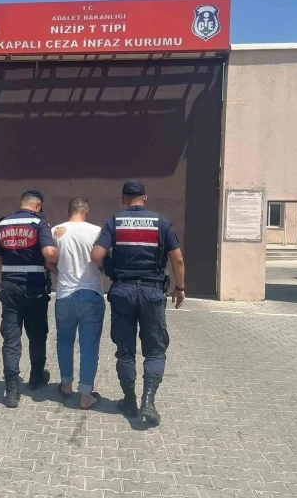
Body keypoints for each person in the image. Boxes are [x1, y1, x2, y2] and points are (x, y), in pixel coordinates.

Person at [91, 181, 186, 424]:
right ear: (145, 198)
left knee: (125, 350)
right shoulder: (161, 222)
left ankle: (129, 400)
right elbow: (177, 259)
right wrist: (179, 287)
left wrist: (110, 267)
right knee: (155, 350)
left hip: (122, 291)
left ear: (123, 199)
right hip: (152, 292)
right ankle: (149, 401)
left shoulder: (115, 221)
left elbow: (97, 255)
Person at [0, 190, 58, 408]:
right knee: (37, 335)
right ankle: (36, 377)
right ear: (37, 205)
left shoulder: (2, 224)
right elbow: (49, 252)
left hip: (9, 287)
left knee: (11, 339)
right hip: (33, 287)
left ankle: (12, 389)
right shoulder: (39, 223)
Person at [50, 198, 106, 410]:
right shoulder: (97, 232)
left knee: (64, 341)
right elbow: (104, 260)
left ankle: (66, 385)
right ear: (86, 211)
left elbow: (48, 260)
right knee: (89, 346)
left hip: (64, 294)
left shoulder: (56, 231)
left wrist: (61, 272)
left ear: (69, 211)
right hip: (91, 294)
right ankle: (85, 396)